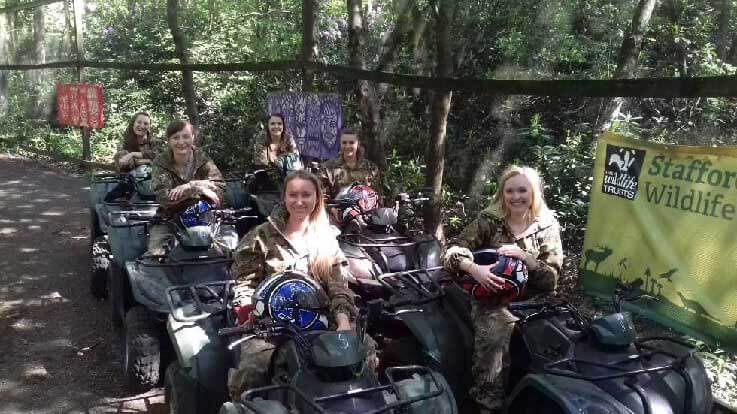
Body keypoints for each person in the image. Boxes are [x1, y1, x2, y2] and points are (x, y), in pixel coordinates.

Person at [441, 165, 563, 410]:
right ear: (502, 193)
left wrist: (527, 258)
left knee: (563, 341)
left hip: (535, 301)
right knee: (495, 339)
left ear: (534, 193)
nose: (516, 197)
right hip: (493, 300)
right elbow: (452, 251)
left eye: (522, 190)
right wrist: (473, 268)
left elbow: (551, 280)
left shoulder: (547, 226)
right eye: (510, 191)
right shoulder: (489, 220)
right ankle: (487, 402)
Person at [228, 170, 357, 398]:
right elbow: (244, 282)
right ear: (284, 198)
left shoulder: (325, 237)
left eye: (306, 195)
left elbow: (338, 287)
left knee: (362, 355)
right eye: (293, 195)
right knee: (251, 374)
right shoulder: (261, 236)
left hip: (319, 320)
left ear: (316, 199)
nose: (299, 201)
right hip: (271, 325)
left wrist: (343, 321)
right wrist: (251, 311)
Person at [148, 120, 225, 255]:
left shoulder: (203, 159)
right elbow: (164, 198)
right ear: (169, 141)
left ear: (193, 138)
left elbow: (220, 188)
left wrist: (191, 186)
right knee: (156, 254)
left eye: (186, 136)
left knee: (228, 250)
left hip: (203, 214)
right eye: (175, 137)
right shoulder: (161, 163)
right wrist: (199, 188)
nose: (181, 142)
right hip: (170, 216)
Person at [319, 127, 383, 202]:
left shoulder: (370, 168)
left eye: (351, 142)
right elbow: (322, 198)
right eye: (344, 143)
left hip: (366, 211)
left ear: (358, 144)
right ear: (340, 144)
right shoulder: (328, 168)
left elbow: (377, 197)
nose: (347, 146)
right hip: (337, 211)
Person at [252, 113, 303, 178]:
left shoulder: (288, 137)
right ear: (268, 126)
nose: (276, 126)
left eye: (279, 123)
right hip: (268, 175)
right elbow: (261, 163)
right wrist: (283, 159)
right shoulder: (262, 138)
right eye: (272, 124)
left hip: (289, 173)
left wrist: (281, 161)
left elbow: (295, 156)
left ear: (283, 126)